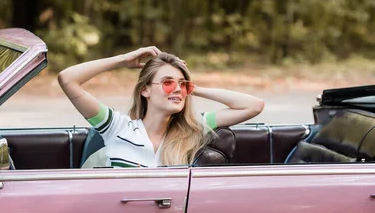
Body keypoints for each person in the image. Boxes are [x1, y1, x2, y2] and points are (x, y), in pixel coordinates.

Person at [57, 46, 264, 168]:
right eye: (167, 83)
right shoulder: (118, 127)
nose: (176, 89)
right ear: (145, 90)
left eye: (181, 84)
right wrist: (122, 60)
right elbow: (67, 79)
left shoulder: (191, 127)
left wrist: (194, 88)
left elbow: (253, 106)